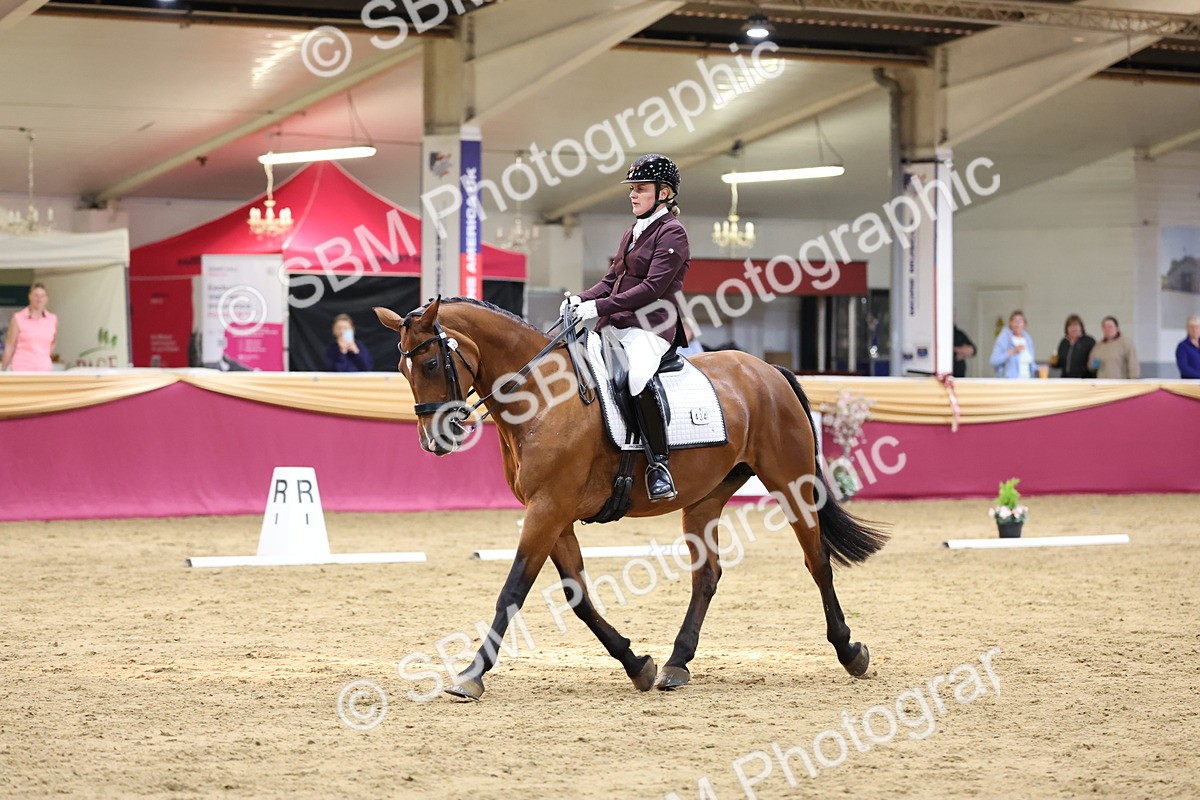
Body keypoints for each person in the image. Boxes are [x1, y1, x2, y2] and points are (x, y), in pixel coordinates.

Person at [561, 153, 690, 501]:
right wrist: (580, 299)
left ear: (664, 193)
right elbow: (610, 280)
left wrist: (597, 307)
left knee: (635, 378)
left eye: (641, 189)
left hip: (653, 327)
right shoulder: (633, 231)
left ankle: (658, 465)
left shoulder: (672, 233)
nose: (633, 195)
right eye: (631, 189)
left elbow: (651, 289)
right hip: (617, 323)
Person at [1, 282, 57, 372]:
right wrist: (3, 370)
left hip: (44, 369)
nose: (39, 299)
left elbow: (53, 342)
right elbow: (10, 346)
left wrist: (43, 356)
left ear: (46, 298)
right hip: (22, 368)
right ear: (30, 296)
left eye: (42, 296)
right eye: (36, 295)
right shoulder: (18, 318)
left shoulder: (52, 319)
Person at [989, 310, 1035, 379]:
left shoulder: (1027, 339)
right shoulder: (1005, 337)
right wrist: (1013, 351)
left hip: (1027, 380)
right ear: (1010, 323)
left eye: (1020, 321)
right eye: (1015, 321)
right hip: (1010, 381)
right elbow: (993, 361)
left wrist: (1039, 368)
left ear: (1024, 324)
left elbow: (1030, 363)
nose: (1017, 324)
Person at [1052, 314, 1096, 378]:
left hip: (1084, 380)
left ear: (1081, 327)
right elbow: (1060, 363)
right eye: (1070, 326)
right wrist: (1054, 363)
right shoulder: (1064, 342)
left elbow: (1094, 362)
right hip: (1066, 379)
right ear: (1066, 329)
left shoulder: (1089, 341)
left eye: (1076, 325)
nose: (1073, 328)